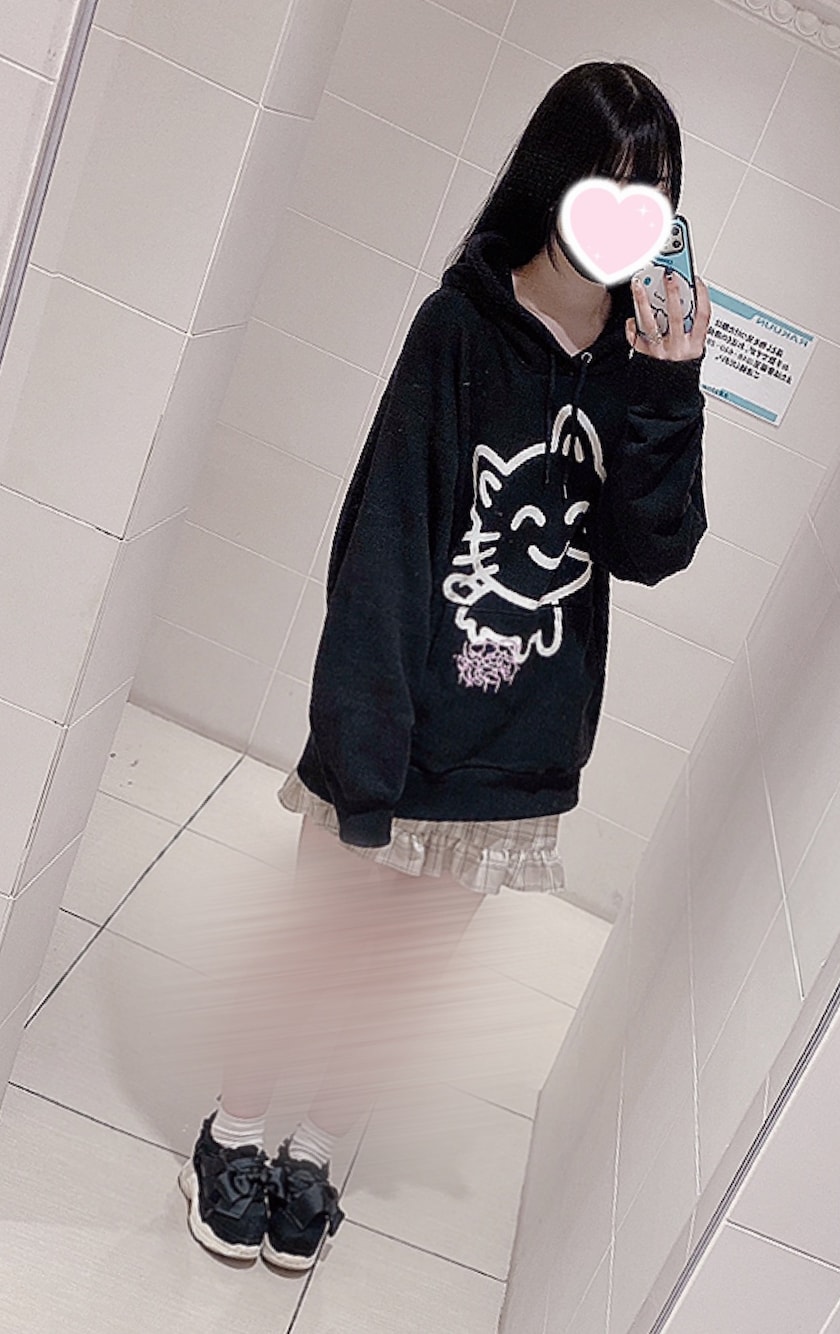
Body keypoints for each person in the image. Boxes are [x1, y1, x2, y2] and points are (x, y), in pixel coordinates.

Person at [178, 58, 710, 1272]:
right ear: (551, 182)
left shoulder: (639, 363)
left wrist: (670, 390)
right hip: (401, 720)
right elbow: (385, 544)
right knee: (313, 945)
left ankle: (313, 1149)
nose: (626, 220)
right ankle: (233, 1131)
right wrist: (361, 756)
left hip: (517, 750)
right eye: (607, 187)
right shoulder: (459, 329)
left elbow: (655, 549)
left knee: (394, 982)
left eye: (652, 197)